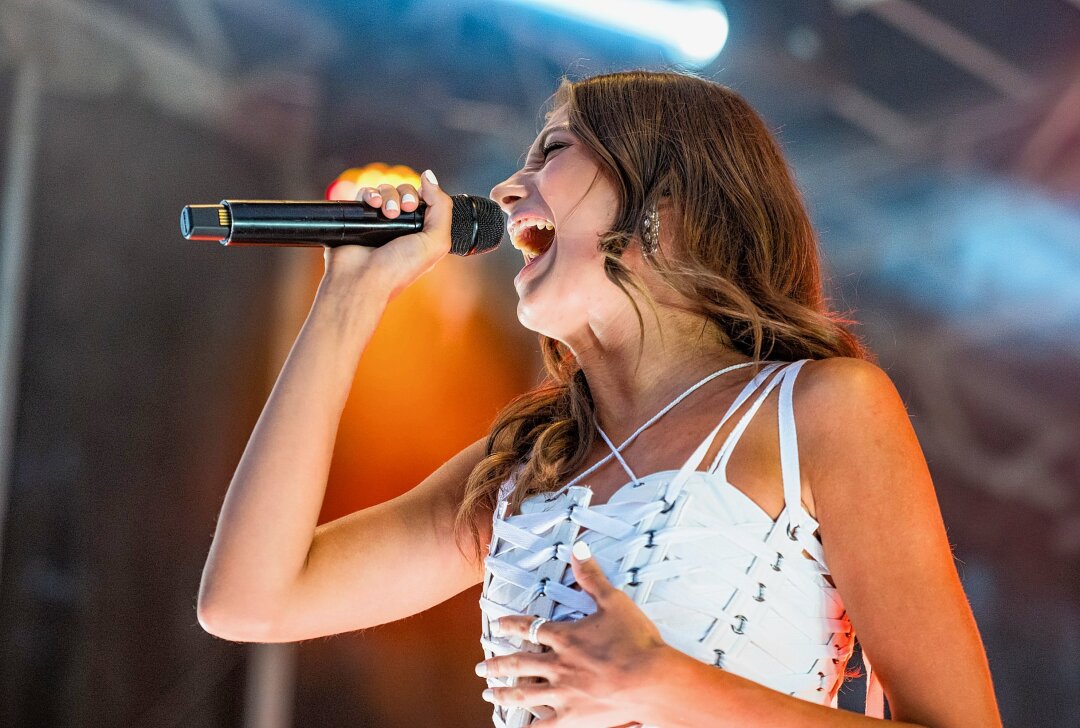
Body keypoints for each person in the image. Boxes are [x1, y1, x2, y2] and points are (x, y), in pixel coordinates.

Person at [197, 70, 1002, 728]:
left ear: (666, 204)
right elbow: (247, 601)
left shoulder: (819, 410)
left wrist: (665, 684)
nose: (509, 190)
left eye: (551, 149)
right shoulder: (523, 468)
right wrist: (348, 302)